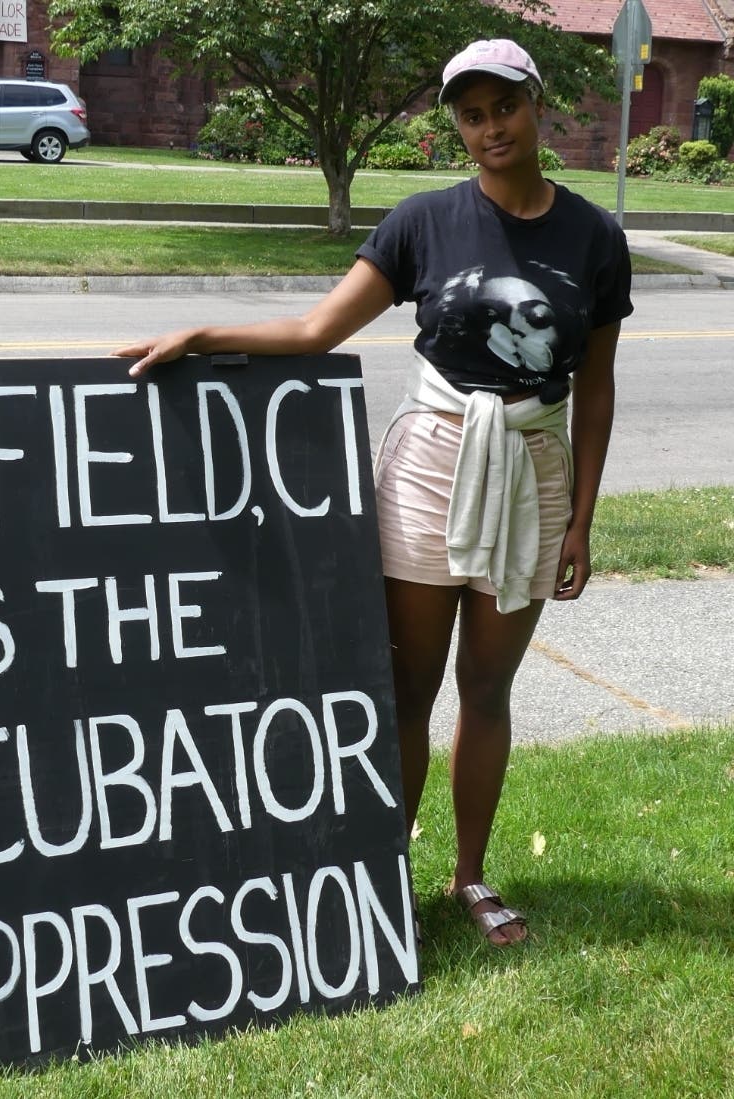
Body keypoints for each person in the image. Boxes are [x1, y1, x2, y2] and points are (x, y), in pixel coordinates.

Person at [114, 39, 633, 947]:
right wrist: (203, 331)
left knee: (488, 687)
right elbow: (318, 327)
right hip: (431, 464)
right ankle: (381, 872)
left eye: (501, 107)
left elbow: (595, 386)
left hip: (532, 470)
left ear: (535, 104)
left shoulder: (594, 237)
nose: (488, 128)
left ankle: (470, 876)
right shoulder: (423, 221)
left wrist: (583, 515)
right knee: (405, 688)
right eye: (469, 115)